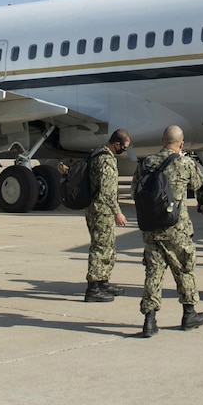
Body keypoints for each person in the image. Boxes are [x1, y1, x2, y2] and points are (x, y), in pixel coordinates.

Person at [136, 125, 203, 337]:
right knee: (184, 268)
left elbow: (135, 191)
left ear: (162, 141)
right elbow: (197, 184)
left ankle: (149, 320)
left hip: (151, 227)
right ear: (181, 143)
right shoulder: (184, 163)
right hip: (177, 227)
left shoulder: (147, 163)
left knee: (153, 273)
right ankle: (189, 313)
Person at [84, 129, 130, 303]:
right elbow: (107, 191)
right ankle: (93, 288)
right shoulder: (106, 159)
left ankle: (103, 281)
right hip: (101, 210)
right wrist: (117, 212)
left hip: (97, 208)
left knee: (107, 247)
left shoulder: (97, 153)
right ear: (116, 144)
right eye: (123, 147)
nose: (124, 150)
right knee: (100, 248)